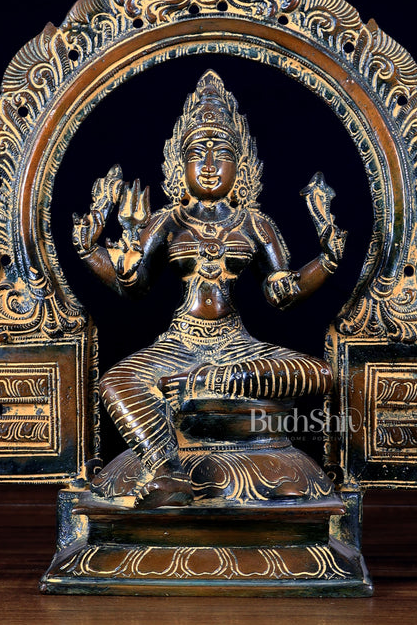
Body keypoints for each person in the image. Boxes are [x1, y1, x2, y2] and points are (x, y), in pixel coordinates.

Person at [72, 70, 346, 508]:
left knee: (319, 373)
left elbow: (283, 292)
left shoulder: (254, 223)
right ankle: (166, 470)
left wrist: (327, 260)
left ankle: (208, 380)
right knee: (117, 381)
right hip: (179, 343)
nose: (209, 164)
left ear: (242, 167)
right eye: (197, 154)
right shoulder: (167, 221)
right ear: (179, 167)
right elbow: (133, 285)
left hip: (237, 345)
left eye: (222, 154)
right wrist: (92, 250)